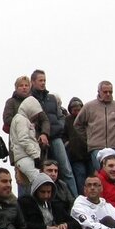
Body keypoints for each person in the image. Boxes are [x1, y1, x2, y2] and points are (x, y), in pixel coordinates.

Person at [29, 70, 78, 198]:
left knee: (66, 170)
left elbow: (60, 116)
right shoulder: (30, 100)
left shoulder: (51, 98)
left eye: (44, 80)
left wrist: (59, 126)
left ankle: (74, 200)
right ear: (33, 82)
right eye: (40, 80)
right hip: (39, 139)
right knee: (43, 171)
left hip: (56, 137)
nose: (43, 83)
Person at [73, 81, 115, 172]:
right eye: (105, 92)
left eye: (110, 92)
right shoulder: (89, 106)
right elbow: (77, 124)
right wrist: (88, 138)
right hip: (96, 146)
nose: (108, 94)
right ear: (99, 92)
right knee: (102, 173)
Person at [9, 95, 48, 192]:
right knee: (39, 183)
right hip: (25, 157)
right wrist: (35, 155)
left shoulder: (21, 119)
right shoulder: (21, 119)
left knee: (32, 186)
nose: (35, 116)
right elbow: (23, 139)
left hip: (24, 156)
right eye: (35, 113)